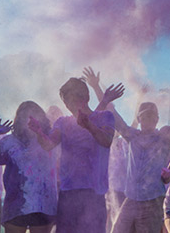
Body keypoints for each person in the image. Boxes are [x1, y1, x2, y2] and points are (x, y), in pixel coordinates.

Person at [84, 66, 170, 233]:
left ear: (157, 118)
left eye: (151, 115)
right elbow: (113, 114)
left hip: (152, 201)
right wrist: (96, 87)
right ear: (139, 119)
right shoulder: (132, 135)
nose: (148, 118)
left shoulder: (165, 137)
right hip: (131, 199)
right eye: (144, 115)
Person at [31, 76, 123, 233]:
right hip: (68, 194)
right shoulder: (62, 122)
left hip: (94, 194)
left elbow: (106, 141)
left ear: (86, 98)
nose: (69, 105)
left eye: (73, 99)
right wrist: (39, 132)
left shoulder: (104, 117)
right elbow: (48, 144)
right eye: (66, 101)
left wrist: (89, 126)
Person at [0, 101, 58, 233]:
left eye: (33, 117)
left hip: (43, 205)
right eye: (25, 117)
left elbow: (54, 150)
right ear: (18, 120)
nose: (29, 122)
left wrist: (39, 132)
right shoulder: (9, 141)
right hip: (15, 205)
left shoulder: (51, 137)